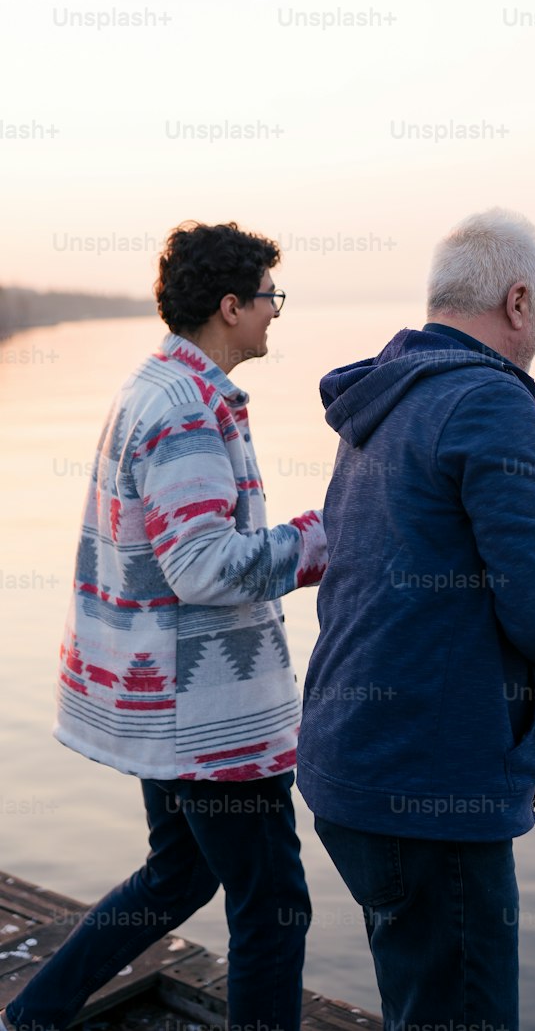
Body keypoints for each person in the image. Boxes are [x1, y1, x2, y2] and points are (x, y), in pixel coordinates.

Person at [296, 208, 535, 1031]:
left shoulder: (393, 395)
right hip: (428, 784)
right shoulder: (492, 401)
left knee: (424, 1003)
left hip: (354, 767)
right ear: (517, 301)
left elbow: (468, 563)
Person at [1, 221, 327, 1031]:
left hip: (164, 699)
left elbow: (183, 548)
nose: (274, 314)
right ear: (228, 306)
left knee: (178, 876)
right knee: (274, 909)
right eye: (266, 298)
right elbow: (206, 565)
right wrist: (321, 538)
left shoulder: (154, 386)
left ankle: (34, 1014)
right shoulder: (183, 409)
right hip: (208, 716)